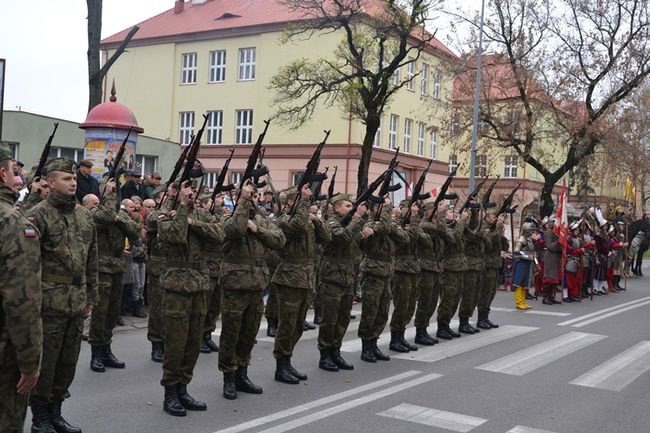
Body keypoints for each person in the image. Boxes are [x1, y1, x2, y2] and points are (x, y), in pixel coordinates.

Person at [27, 157, 98, 433]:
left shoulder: (84, 215)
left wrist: (92, 295)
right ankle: (40, 418)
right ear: (51, 182)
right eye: (66, 179)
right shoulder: (38, 215)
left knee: (68, 364)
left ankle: (56, 412)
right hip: (48, 302)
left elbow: (92, 257)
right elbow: (28, 263)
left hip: (76, 301)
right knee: (46, 364)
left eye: (74, 178)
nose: (73, 182)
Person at [157, 180, 224, 416]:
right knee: (176, 343)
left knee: (194, 342)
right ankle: (170, 393)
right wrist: (182, 210)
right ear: (174, 191)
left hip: (199, 283)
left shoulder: (202, 215)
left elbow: (219, 233)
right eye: (186, 189)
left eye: (194, 189)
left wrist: (192, 221)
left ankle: (183, 388)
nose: (191, 193)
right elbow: (175, 235)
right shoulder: (163, 214)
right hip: (176, 285)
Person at [219, 182, 285, 399]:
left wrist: (257, 229)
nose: (254, 199)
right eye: (249, 196)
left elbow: (279, 240)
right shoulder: (228, 218)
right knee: (231, 334)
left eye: (255, 196)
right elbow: (235, 231)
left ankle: (242, 373)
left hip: (256, 285)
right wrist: (243, 202)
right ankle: (229, 377)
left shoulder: (261, 221)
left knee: (249, 333)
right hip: (235, 286)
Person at [0, 142, 42, 433]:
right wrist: (30, 362)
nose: (17, 175)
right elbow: (22, 301)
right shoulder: (11, 223)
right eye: (12, 170)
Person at [272, 184, 331, 384]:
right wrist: (304, 202)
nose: (309, 203)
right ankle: (281, 365)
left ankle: (287, 361)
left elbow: (327, 238)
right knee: (287, 325)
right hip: (289, 277)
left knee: (297, 325)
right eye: (302, 199)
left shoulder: (307, 220)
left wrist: (317, 221)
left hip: (306, 278)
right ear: (290, 202)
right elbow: (297, 227)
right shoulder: (284, 219)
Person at [87, 180, 141, 374]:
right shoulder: (95, 213)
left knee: (112, 312)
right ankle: (96, 354)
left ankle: (106, 350)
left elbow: (135, 232)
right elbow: (108, 216)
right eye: (111, 192)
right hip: (101, 268)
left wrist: (120, 218)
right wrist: (114, 211)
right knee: (100, 313)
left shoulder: (120, 215)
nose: (114, 195)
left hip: (117, 267)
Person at [316, 194, 366, 372]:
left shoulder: (350, 223)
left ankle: (336, 351)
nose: (350, 207)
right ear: (337, 208)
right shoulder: (330, 223)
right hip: (332, 278)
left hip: (348, 277)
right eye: (347, 205)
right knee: (330, 319)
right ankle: (325, 355)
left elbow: (352, 243)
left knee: (343, 318)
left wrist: (362, 234)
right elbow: (342, 238)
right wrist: (357, 218)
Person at [358, 198, 406, 362]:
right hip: (372, 272)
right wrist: (386, 210)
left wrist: (391, 225)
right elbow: (382, 227)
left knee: (382, 312)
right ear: (377, 208)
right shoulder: (369, 224)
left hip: (386, 273)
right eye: (386, 209)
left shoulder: (387, 227)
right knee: (370, 311)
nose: (390, 213)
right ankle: (366, 347)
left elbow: (404, 239)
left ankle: (374, 343)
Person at [389, 200, 427, 352]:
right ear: (402, 209)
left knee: (410, 306)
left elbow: (423, 240)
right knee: (401, 306)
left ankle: (401, 336)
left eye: (416, 208)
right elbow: (406, 239)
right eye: (411, 208)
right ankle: (394, 339)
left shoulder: (414, 224)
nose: (414, 211)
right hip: (401, 269)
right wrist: (413, 224)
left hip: (413, 269)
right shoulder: (395, 224)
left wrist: (414, 222)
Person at [435, 206, 468, 340]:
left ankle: (447, 324)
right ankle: (441, 327)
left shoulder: (456, 226)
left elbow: (473, 231)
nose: (454, 214)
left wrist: (473, 214)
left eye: (455, 212)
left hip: (459, 267)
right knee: (447, 299)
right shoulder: (443, 228)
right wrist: (461, 221)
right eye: (450, 212)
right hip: (449, 268)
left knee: (455, 299)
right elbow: (453, 238)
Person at [476, 210, 508, 329]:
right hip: (487, 265)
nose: (496, 219)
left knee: (492, 292)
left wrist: (501, 233)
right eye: (494, 216)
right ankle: (480, 318)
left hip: (495, 265)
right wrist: (499, 227)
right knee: (485, 292)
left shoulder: (496, 229)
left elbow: (504, 246)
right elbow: (488, 244)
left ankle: (486, 317)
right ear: (487, 217)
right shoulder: (484, 228)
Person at [512, 220, 539, 310]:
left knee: (525, 282)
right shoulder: (522, 239)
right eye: (530, 229)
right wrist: (528, 256)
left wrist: (536, 263)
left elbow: (533, 252)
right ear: (526, 230)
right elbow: (516, 253)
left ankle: (523, 301)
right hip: (521, 263)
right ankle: (519, 302)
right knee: (519, 282)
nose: (532, 231)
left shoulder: (530, 239)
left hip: (528, 263)